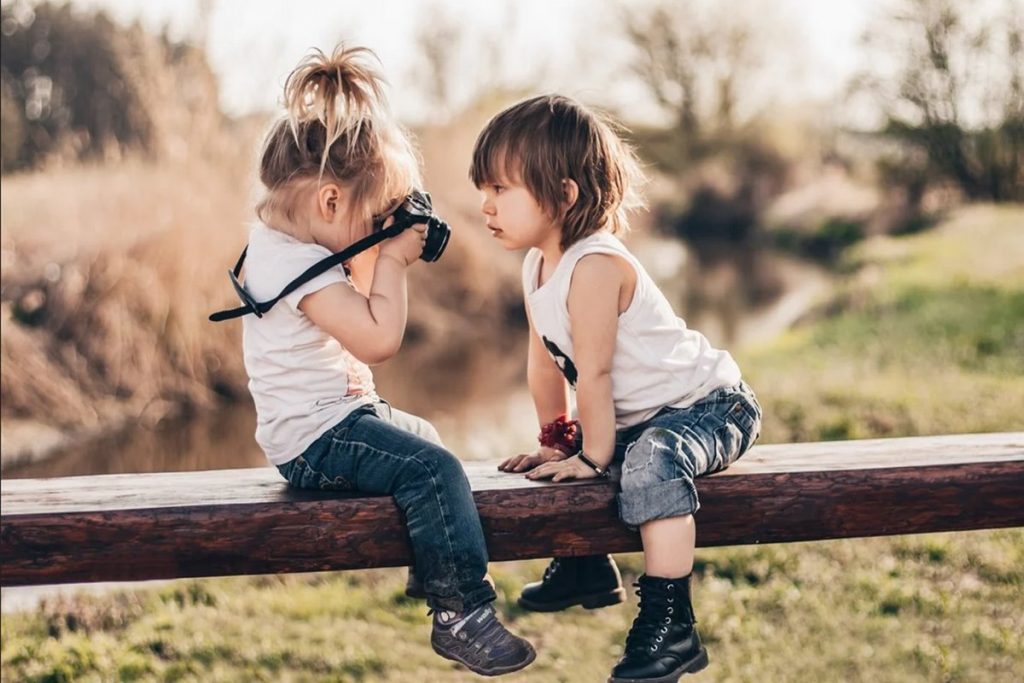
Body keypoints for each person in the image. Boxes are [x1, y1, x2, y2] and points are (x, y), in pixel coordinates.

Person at [233, 45, 534, 676]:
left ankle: (435, 568)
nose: (378, 230)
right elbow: (377, 340)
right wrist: (394, 258)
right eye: (372, 217)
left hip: (330, 420)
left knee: (423, 440)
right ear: (332, 202)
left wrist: (377, 238)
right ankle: (461, 614)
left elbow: (356, 284)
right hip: (316, 439)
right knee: (433, 468)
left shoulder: (287, 246)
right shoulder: (294, 267)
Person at [470, 94, 762, 682]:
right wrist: (559, 441)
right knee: (575, 459)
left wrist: (594, 454)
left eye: (501, 189)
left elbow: (596, 373)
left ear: (565, 194)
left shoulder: (597, 265)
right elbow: (546, 367)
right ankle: (585, 567)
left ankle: (670, 626)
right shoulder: (536, 267)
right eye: (485, 189)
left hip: (707, 408)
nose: (486, 204)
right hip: (647, 419)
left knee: (647, 461)